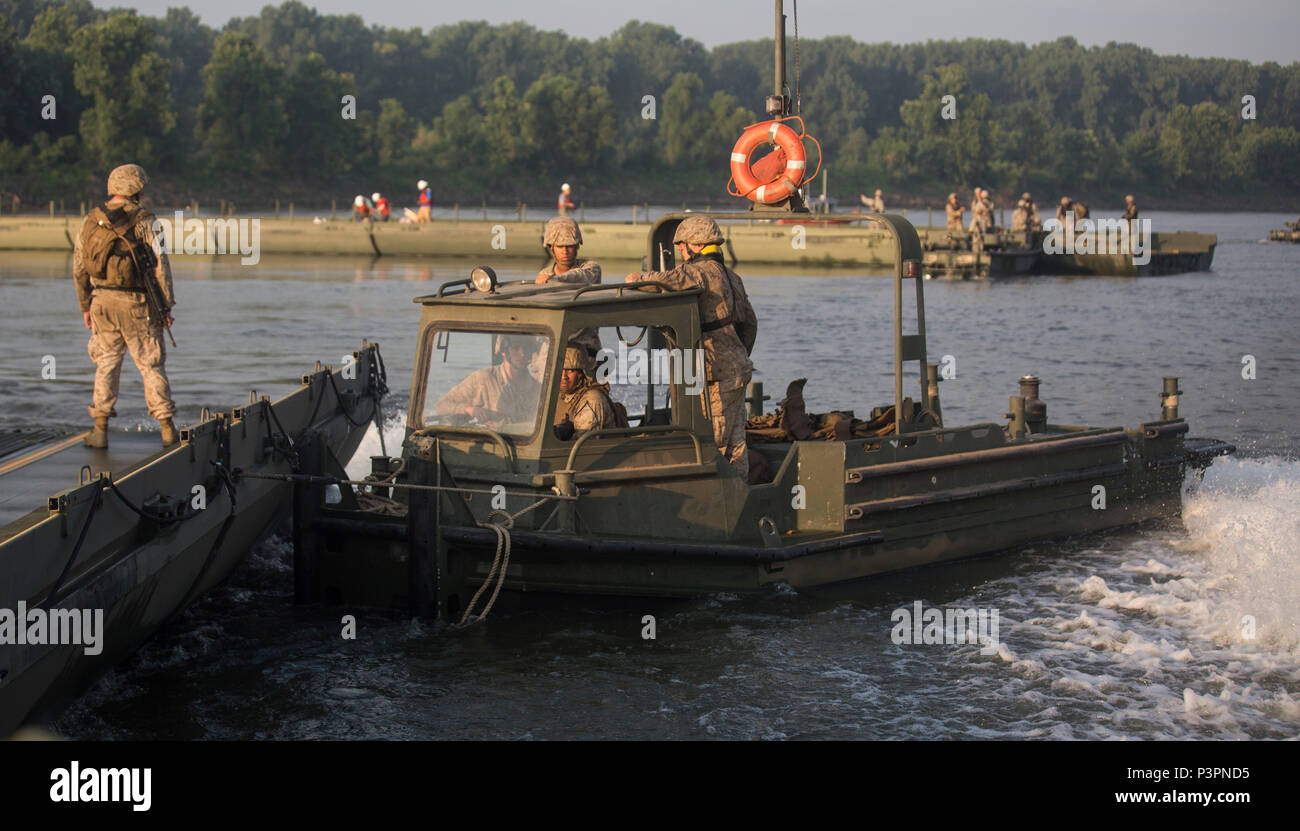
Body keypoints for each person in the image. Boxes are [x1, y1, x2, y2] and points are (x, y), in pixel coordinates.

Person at [624, 215, 757, 480]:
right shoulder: (733, 277)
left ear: (693, 245)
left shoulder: (696, 273)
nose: (681, 253)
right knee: (737, 443)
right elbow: (750, 324)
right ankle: (741, 496)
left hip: (715, 374)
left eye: (682, 247)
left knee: (713, 442)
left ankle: (718, 504)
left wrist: (636, 277)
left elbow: (661, 282)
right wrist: (737, 353)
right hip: (737, 368)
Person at [73, 163, 177, 448]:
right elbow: (161, 268)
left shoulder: (90, 221)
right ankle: (168, 429)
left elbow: (79, 269)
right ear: (137, 190)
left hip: (101, 303)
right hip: (137, 305)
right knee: (151, 365)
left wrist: (85, 305)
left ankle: (100, 431)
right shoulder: (146, 221)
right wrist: (166, 306)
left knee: (106, 364)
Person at [434, 334, 543, 430]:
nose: (522, 354)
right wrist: (470, 409)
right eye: (515, 348)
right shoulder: (483, 380)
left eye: (526, 348)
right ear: (504, 352)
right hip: (496, 446)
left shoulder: (537, 388)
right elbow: (442, 405)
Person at [553, 346, 622, 440]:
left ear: (581, 373)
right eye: (561, 370)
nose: (564, 377)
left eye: (570, 370)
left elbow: (583, 444)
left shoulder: (592, 399)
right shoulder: (558, 395)